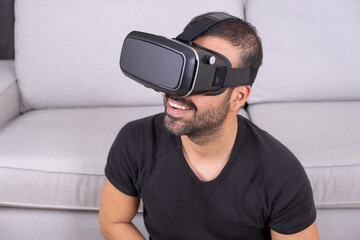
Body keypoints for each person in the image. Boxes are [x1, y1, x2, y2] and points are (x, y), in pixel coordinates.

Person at [99, 12, 319, 240]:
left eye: (202, 80)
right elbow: (113, 221)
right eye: (182, 71)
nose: (177, 94)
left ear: (238, 97)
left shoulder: (280, 173)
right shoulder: (136, 141)